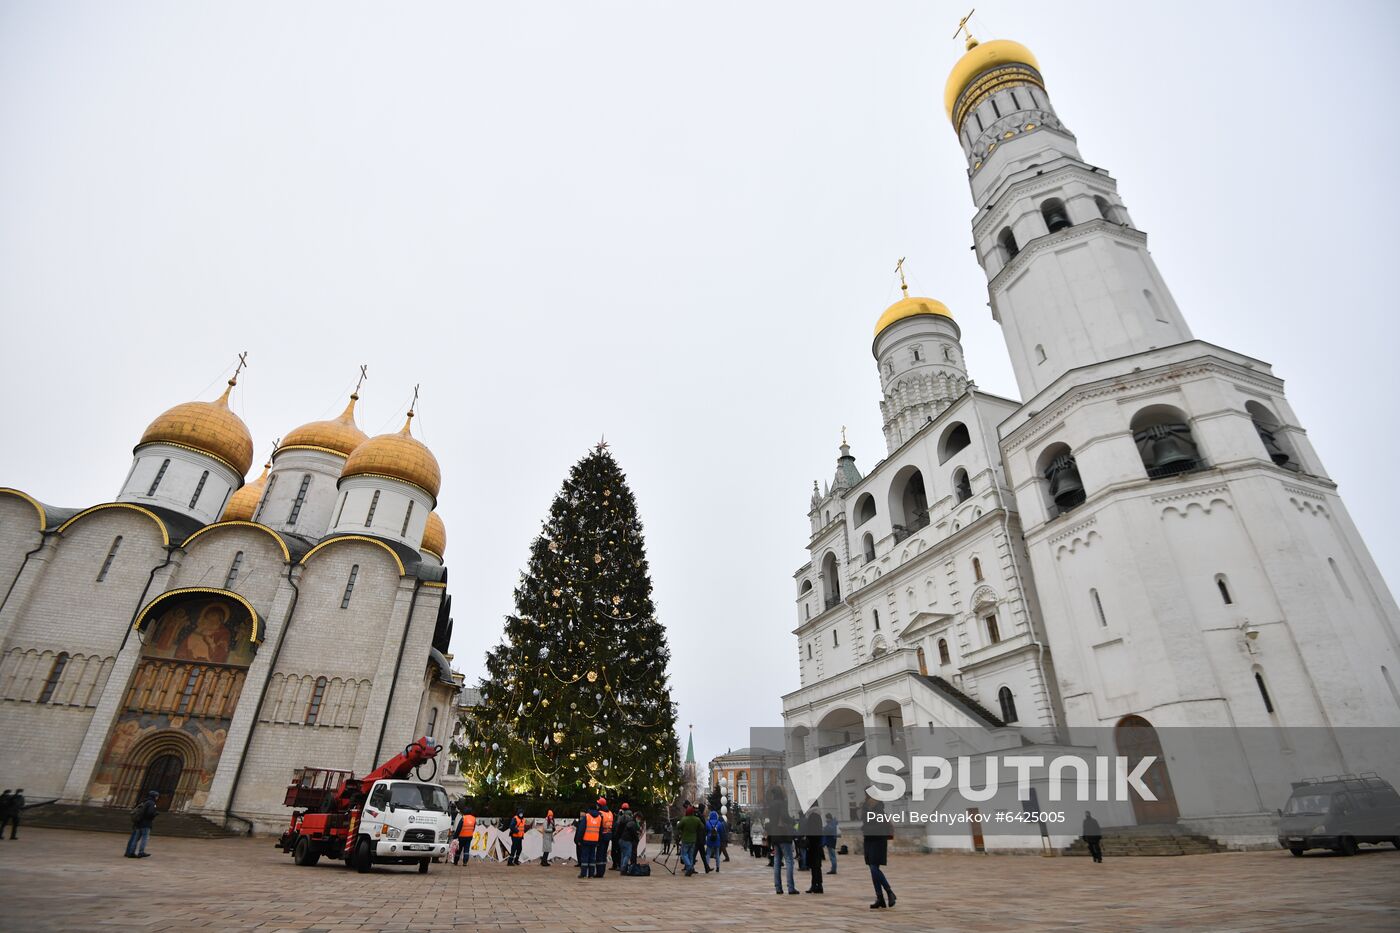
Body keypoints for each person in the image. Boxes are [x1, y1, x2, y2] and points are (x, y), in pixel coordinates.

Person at [862, 793, 896, 909]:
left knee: (874, 868)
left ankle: (889, 892)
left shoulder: (879, 809)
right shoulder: (865, 808)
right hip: (869, 840)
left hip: (878, 841)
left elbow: (877, 825)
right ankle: (880, 897)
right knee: (873, 869)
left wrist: (867, 828)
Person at [766, 786, 798, 895]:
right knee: (789, 860)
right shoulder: (782, 803)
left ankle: (778, 888)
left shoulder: (771, 805)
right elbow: (785, 817)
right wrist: (792, 821)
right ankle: (791, 887)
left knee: (777, 862)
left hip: (775, 835)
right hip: (783, 834)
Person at [125, 790, 158, 858]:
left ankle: (131, 852)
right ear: (155, 796)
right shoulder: (152, 803)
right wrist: (155, 814)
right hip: (146, 824)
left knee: (135, 838)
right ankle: (141, 852)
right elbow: (150, 813)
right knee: (144, 838)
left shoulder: (144, 801)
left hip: (139, 823)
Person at [802, 808, 825, 894]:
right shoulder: (817, 816)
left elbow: (811, 830)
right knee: (817, 866)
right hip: (817, 844)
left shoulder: (812, 816)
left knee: (814, 866)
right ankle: (818, 885)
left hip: (813, 845)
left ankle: (815, 885)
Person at [577, 802, 602, 878]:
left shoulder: (587, 817)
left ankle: (583, 874)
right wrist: (599, 840)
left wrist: (579, 839)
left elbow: (581, 829)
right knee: (592, 857)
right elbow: (600, 830)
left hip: (586, 840)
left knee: (584, 857)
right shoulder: (599, 817)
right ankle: (591, 874)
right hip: (595, 840)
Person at [676, 805, 702, 876]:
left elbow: (678, 826)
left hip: (685, 839)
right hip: (693, 839)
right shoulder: (697, 819)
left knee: (684, 854)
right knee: (690, 855)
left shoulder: (684, 819)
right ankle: (689, 870)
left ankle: (689, 867)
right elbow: (702, 827)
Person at [616, 803, 639, 873]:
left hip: (621, 838)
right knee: (628, 855)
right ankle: (623, 869)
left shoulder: (620, 816)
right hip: (628, 839)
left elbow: (617, 826)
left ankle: (622, 867)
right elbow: (634, 830)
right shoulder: (631, 819)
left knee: (623, 854)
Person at [595, 797, 613, 877]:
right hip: (608, 835)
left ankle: (599, 873)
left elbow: (599, 826)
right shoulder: (610, 813)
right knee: (604, 854)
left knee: (599, 854)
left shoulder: (600, 813)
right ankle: (602, 871)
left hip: (601, 836)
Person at [704, 807, 723, 873]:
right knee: (717, 854)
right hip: (717, 839)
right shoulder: (719, 823)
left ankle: (707, 866)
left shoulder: (707, 823)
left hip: (709, 839)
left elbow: (705, 831)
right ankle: (718, 867)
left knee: (708, 854)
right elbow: (721, 832)